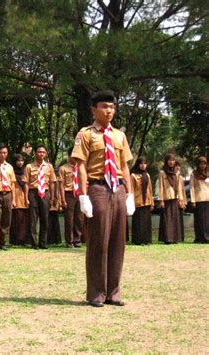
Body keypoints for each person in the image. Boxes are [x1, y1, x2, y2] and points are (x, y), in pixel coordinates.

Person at [72, 91, 134, 307]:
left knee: (118, 241)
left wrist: (130, 194)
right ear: (94, 109)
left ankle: (113, 293)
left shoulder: (119, 136)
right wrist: (83, 195)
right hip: (98, 187)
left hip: (117, 188)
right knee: (99, 241)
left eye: (112, 107)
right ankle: (96, 293)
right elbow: (80, 165)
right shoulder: (86, 134)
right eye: (105, 107)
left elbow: (124, 166)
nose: (109, 111)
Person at [24, 145, 56, 249]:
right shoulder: (29, 167)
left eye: (43, 152)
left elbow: (52, 183)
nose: (41, 154)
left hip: (45, 193)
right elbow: (26, 183)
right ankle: (34, 243)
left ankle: (43, 243)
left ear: (45, 154)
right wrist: (26, 197)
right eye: (39, 152)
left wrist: (52, 197)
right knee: (33, 219)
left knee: (45, 219)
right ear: (35, 153)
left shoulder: (49, 167)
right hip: (33, 193)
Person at [58, 149, 85, 247]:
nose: (76, 158)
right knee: (69, 219)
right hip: (69, 193)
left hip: (80, 193)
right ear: (69, 156)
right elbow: (61, 184)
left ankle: (77, 240)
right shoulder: (63, 168)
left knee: (80, 218)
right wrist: (63, 199)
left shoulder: (82, 168)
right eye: (73, 156)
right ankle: (69, 241)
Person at [157, 154, 185, 244]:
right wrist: (161, 200)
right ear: (166, 161)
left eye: (173, 160)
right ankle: (167, 239)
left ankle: (175, 238)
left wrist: (181, 199)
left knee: (175, 220)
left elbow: (181, 187)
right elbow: (160, 187)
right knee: (167, 220)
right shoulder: (162, 172)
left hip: (176, 199)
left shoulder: (177, 172)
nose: (171, 162)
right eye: (169, 160)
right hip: (166, 199)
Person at [130, 157, 154, 245]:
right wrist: (131, 201)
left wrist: (152, 202)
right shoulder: (133, 175)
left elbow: (150, 189)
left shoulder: (147, 175)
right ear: (138, 164)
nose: (143, 165)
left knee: (146, 221)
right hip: (137, 201)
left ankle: (147, 240)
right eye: (141, 163)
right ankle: (138, 240)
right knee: (138, 221)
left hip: (147, 201)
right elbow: (131, 189)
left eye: (145, 163)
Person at [10, 154, 29, 246]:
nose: (20, 162)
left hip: (26, 198)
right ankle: (16, 240)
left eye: (22, 160)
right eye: (18, 160)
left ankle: (26, 239)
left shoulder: (26, 171)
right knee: (16, 219)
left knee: (25, 220)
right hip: (16, 198)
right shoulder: (12, 171)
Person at [189, 156, 208, 243]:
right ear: (198, 164)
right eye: (201, 163)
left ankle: (207, 237)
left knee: (207, 220)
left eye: (204, 163)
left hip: (208, 199)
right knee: (199, 220)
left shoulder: (208, 173)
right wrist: (193, 200)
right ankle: (200, 238)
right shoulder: (194, 174)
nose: (202, 165)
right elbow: (191, 188)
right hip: (198, 199)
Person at [47, 178, 62, 245]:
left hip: (55, 201)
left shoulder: (56, 180)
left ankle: (56, 239)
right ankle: (48, 239)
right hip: (47, 199)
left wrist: (58, 203)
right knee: (47, 220)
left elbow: (58, 192)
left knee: (55, 221)